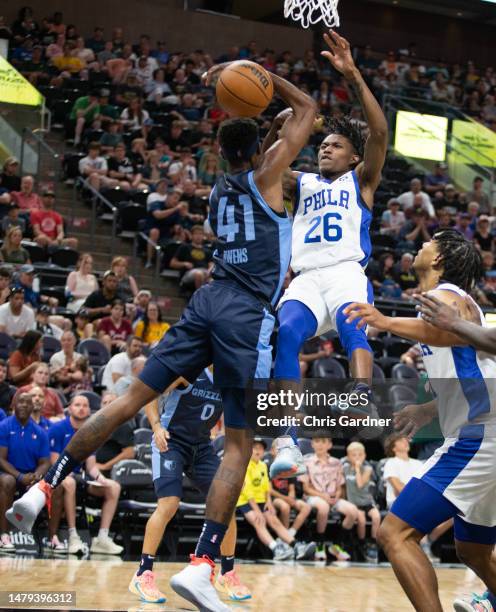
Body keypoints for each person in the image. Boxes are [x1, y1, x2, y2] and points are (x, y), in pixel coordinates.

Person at [7, 56, 317, 612]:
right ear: (262, 151)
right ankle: (202, 567)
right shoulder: (269, 178)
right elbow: (310, 110)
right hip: (246, 312)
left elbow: (265, 142)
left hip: (205, 301)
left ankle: (45, 485)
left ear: (223, 151)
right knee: (242, 444)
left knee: (127, 401)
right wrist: (261, 75)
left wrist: (243, 94)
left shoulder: (221, 188)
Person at [343, 229, 496, 612]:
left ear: (440, 258)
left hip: (478, 438)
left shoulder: (445, 298)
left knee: (394, 532)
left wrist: (383, 320)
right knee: (474, 550)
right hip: (483, 432)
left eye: (431, 242)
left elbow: (439, 332)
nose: (421, 245)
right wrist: (427, 410)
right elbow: (463, 365)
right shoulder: (445, 303)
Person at [269, 31, 388, 479]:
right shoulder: (300, 183)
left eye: (336, 145)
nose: (325, 147)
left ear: (355, 156)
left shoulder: (362, 182)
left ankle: (359, 396)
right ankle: (286, 436)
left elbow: (378, 130)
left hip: (344, 272)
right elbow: (262, 170)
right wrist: (274, 128)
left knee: (354, 324)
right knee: (285, 335)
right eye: (324, 144)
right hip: (304, 277)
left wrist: (353, 74)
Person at [129, 369, 251, 604]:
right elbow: (151, 395)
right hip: (171, 441)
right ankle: (142, 574)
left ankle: (226, 574)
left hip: (201, 447)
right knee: (169, 504)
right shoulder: (190, 371)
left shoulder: (230, 379)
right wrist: (156, 428)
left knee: (226, 501)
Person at [48, 395, 123, 555]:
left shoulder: (91, 430)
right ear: (69, 408)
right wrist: (65, 477)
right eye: (77, 405)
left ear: (90, 410)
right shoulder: (57, 428)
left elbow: (91, 466)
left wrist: (102, 479)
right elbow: (54, 463)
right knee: (70, 483)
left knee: (114, 487)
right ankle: (73, 535)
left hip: (80, 478)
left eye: (85, 405)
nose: (81, 408)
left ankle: (102, 538)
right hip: (60, 477)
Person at [236, 438, 315, 562]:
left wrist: (268, 502)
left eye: (260, 448)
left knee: (274, 521)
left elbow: (266, 486)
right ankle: (276, 549)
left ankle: (296, 546)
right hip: (246, 502)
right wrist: (257, 511)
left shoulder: (262, 465)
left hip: (262, 501)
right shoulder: (244, 465)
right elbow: (247, 491)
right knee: (259, 521)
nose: (257, 451)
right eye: (254, 448)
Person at [0, 393, 50, 551]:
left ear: (32, 407)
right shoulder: (4, 426)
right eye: (20, 402)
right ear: (13, 405)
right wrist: (20, 476)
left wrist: (36, 476)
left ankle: (53, 538)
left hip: (30, 476)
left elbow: (45, 462)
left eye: (27, 403)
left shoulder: (40, 432)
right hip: (6, 473)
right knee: (9, 482)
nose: (23, 405)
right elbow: (1, 459)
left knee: (57, 485)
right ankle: (4, 535)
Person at [299, 436, 359, 561]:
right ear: (312, 444)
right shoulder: (306, 462)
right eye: (317, 441)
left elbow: (340, 486)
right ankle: (320, 545)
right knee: (323, 506)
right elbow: (306, 488)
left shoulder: (337, 462)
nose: (320, 445)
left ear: (330, 445)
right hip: (314, 497)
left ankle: (336, 545)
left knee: (353, 511)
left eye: (323, 442)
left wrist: (337, 495)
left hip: (332, 497)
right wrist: (323, 496)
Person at [269, 440, 313, 546]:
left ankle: (290, 533)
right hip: (275, 498)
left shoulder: (288, 467)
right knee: (285, 507)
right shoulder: (269, 466)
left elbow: (292, 488)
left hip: (288, 497)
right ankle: (284, 538)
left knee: (306, 507)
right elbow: (270, 490)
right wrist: (286, 499)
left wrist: (291, 496)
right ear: (272, 451)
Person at [343, 441, 380, 562]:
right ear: (348, 457)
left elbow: (360, 484)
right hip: (354, 503)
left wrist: (358, 468)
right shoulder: (345, 468)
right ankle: (362, 543)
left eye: (360, 455)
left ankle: (373, 543)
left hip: (367, 501)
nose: (357, 457)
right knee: (362, 520)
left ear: (364, 456)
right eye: (354, 455)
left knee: (376, 517)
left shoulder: (368, 468)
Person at [95, 393, 135, 478]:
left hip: (111, 472)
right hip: (93, 469)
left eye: (111, 402)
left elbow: (129, 453)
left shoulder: (122, 425)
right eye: (104, 403)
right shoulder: (95, 424)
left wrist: (105, 466)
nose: (107, 405)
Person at [170, 225, 213, 290]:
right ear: (192, 235)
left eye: (200, 234)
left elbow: (211, 265)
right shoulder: (185, 247)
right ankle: (199, 298)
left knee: (214, 282)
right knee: (198, 274)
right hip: (189, 273)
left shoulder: (208, 250)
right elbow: (172, 263)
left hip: (205, 272)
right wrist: (184, 264)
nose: (198, 236)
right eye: (196, 234)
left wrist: (209, 271)